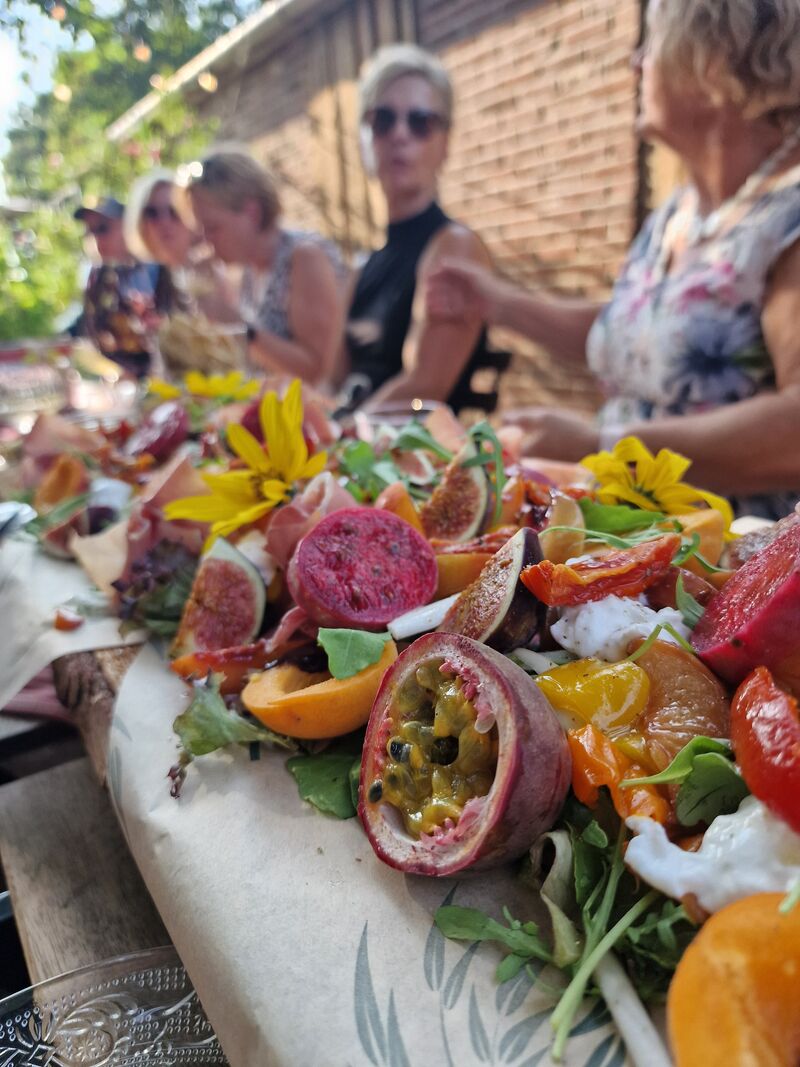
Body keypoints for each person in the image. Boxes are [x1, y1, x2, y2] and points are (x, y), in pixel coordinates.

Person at [428, 0, 800, 519]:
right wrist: (498, 304)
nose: (636, 61)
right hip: (636, 537)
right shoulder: (677, 212)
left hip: (735, 553)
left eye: (651, 45)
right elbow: (637, 335)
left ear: (711, 62)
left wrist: (604, 445)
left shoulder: (789, 215)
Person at [342, 44, 506, 415]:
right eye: (383, 120)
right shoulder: (362, 268)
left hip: (416, 447)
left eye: (420, 122)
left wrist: (342, 431)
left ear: (445, 144)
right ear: (366, 137)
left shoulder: (454, 248)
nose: (400, 134)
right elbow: (332, 377)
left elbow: (424, 388)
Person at [183, 149, 345, 387]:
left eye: (213, 227)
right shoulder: (250, 272)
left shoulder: (304, 257)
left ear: (252, 213)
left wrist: (238, 326)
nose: (206, 240)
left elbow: (320, 371)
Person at [74, 195, 177, 378]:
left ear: (129, 226)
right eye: (89, 232)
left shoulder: (163, 266)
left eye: (103, 229)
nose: (96, 239)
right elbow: (88, 333)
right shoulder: (98, 279)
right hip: (123, 382)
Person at [124, 169, 240, 324]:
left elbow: (239, 330)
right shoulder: (143, 279)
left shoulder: (217, 270)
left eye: (174, 211)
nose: (164, 222)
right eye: (152, 213)